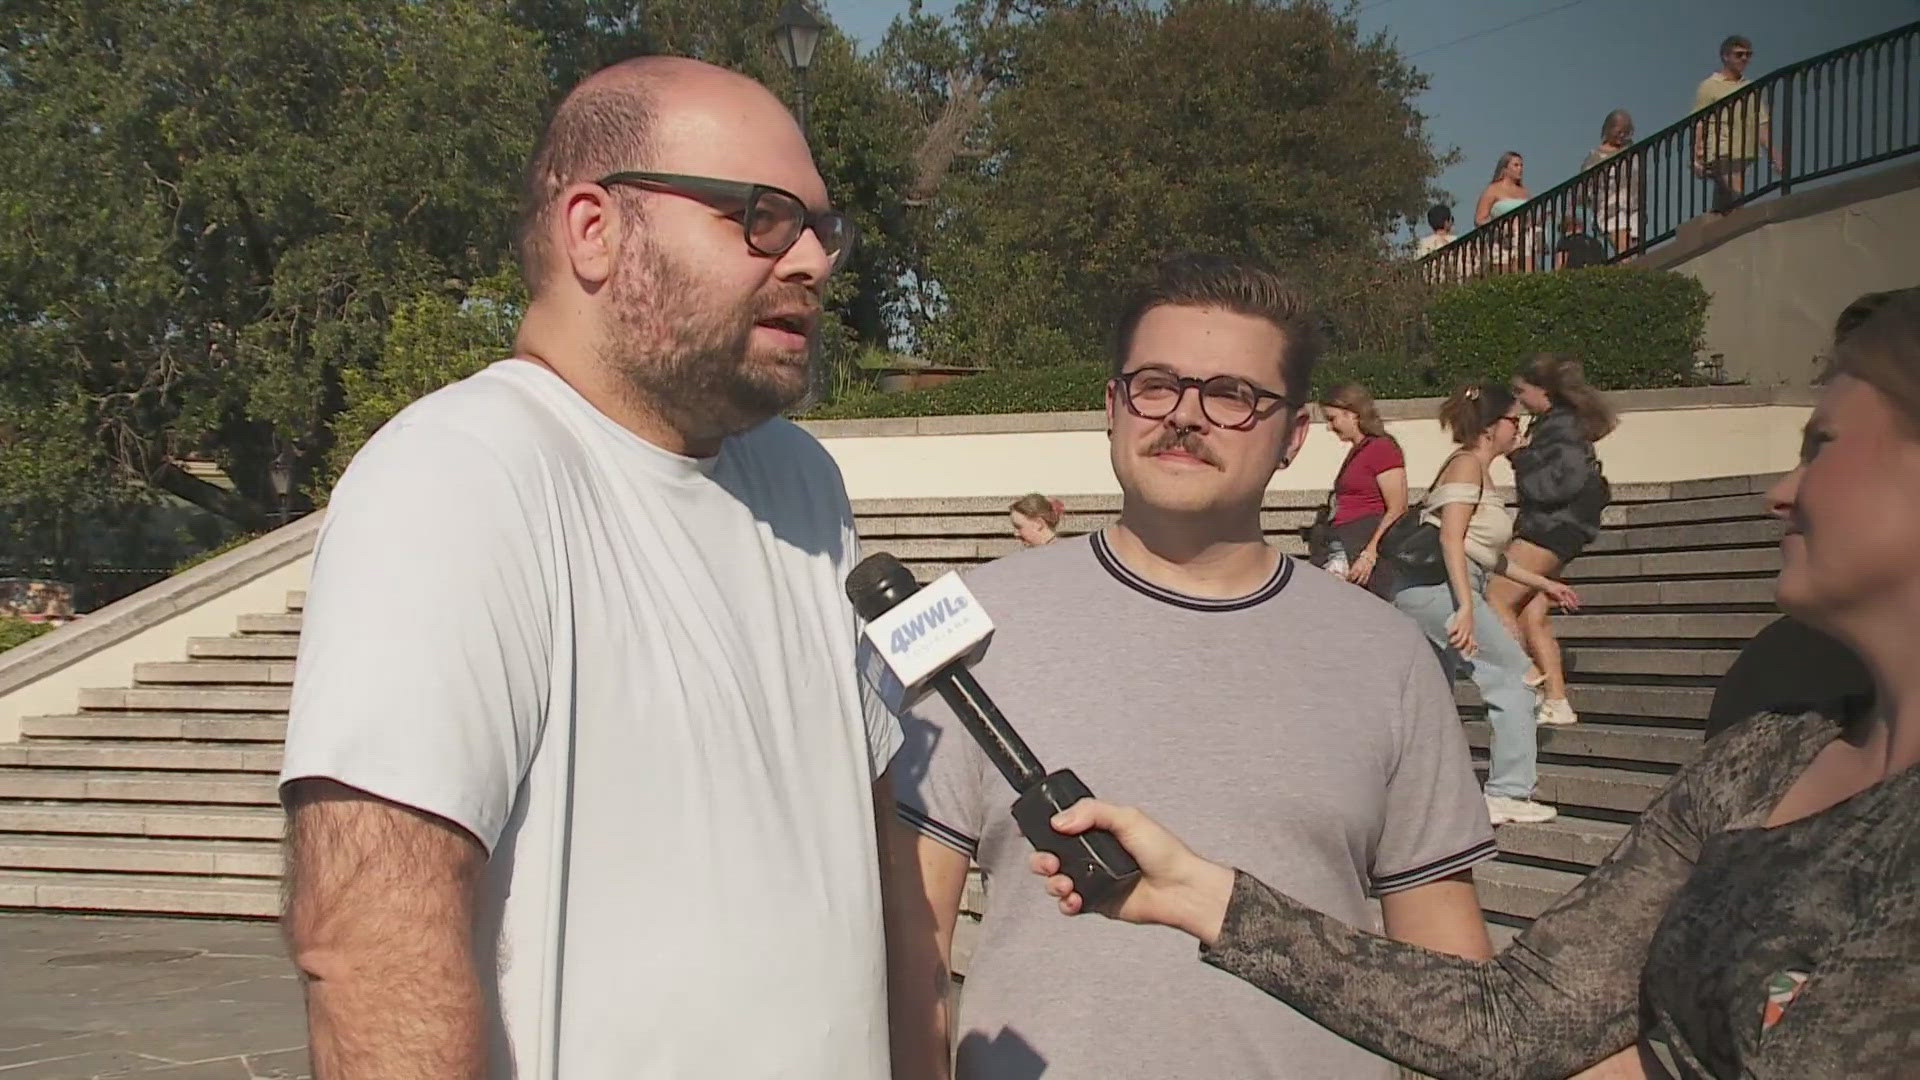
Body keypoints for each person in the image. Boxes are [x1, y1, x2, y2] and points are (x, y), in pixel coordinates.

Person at [1034, 290, 1920, 1079]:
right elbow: (1517, 1020)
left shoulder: (1379, 653)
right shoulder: (1764, 753)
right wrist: (1198, 894)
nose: (1780, 489)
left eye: (1821, 445)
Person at [277, 58, 901, 1079]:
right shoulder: (461, 475)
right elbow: (369, 949)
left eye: (824, 228)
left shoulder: (804, 487)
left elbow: (876, 857)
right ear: (594, 230)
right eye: (764, 217)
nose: (813, 262)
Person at [886, 253, 1499, 1080]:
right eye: (1156, 385)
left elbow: (1447, 963)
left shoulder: (1386, 654)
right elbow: (911, 944)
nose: (1184, 416)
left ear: (1293, 438)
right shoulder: (974, 629)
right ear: (1112, 406)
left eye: (1232, 396)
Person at [1391, 384, 1580, 825]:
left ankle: (1412, 788)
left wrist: (1541, 583)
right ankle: (1508, 792)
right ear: (1492, 426)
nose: (1520, 429)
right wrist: (1466, 608)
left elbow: (1482, 552)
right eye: (1516, 421)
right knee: (1517, 680)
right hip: (1443, 590)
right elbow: (1450, 539)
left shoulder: (1477, 471)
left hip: (1438, 590)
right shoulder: (1465, 467)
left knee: (1430, 696)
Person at [1489, 355, 1616, 728]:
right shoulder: (1557, 423)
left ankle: (1524, 680)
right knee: (1532, 613)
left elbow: (1562, 481)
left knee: (1496, 595)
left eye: (1522, 391)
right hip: (1563, 526)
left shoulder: (1561, 427)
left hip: (1552, 526)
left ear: (1544, 390)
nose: (1519, 400)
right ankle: (1557, 701)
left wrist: (1520, 457)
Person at [1315, 382, 1407, 600]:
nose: (1329, 427)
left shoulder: (1382, 449)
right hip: (1343, 542)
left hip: (1362, 543)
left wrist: (1370, 553)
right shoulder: (1359, 451)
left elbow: (1398, 507)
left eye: (1332, 418)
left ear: (1352, 414)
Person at [1692, 34, 1783, 214]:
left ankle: (1716, 227)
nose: (1744, 59)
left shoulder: (1751, 88)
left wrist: (1776, 156)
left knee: (1725, 201)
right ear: (1725, 56)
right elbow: (1700, 122)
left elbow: (1761, 124)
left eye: (1748, 55)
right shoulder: (1709, 86)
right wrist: (1697, 155)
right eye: (1739, 54)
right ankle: (1738, 224)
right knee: (1736, 195)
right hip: (1721, 149)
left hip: (1744, 151)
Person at [1583, 109, 1640, 256]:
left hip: (1633, 208)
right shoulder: (1595, 156)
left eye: (1626, 132)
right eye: (1619, 131)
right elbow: (1586, 186)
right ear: (1609, 129)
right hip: (1610, 209)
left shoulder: (1632, 150)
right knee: (1624, 249)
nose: (1622, 135)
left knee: (1634, 251)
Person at [1474, 151, 1532, 272]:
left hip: (1523, 238)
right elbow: (1479, 219)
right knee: (1504, 273)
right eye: (1516, 165)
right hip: (1501, 240)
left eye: (1521, 165)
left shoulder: (1524, 192)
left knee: (1526, 272)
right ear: (1505, 168)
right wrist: (1499, 227)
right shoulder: (1493, 189)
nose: (1520, 169)